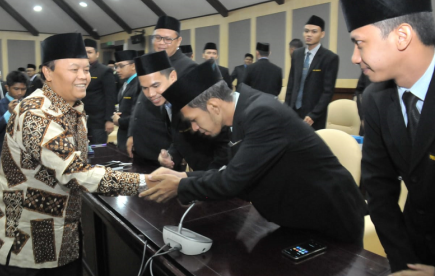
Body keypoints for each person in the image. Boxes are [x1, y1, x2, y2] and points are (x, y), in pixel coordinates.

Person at [139, 60, 367, 245]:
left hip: (330, 221)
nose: (196, 129)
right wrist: (183, 176)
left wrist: (180, 186)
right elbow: (230, 170)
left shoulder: (262, 114)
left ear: (214, 107)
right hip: (298, 219)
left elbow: (232, 181)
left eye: (194, 121)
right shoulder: (244, 114)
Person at [0, 33, 153, 276]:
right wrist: (147, 182)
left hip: (59, 239)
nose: (84, 76)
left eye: (86, 69)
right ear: (48, 73)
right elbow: (74, 173)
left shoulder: (71, 106)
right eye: (74, 69)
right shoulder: (36, 113)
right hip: (24, 246)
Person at [341, 0, 435, 274]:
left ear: (402, 36)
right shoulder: (376, 99)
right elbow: (379, 188)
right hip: (413, 249)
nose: (355, 58)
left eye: (359, 43)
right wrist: (404, 264)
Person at [134, 51, 228, 171]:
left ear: (172, 77)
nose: (151, 94)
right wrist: (171, 155)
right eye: (145, 88)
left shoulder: (195, 100)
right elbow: (182, 137)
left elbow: (224, 141)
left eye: (156, 85)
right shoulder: (165, 103)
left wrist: (211, 176)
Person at [127, 15, 196, 166]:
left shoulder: (188, 68)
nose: (161, 43)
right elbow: (137, 101)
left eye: (167, 39)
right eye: (157, 37)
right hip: (140, 143)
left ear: (178, 41)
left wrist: (177, 152)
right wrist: (131, 134)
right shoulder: (146, 60)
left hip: (164, 149)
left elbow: (187, 117)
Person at [285, 15, 339, 130]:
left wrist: (314, 114)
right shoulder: (297, 54)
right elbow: (291, 84)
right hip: (293, 112)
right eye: (306, 31)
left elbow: (328, 92)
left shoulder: (329, 58)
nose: (309, 34)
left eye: (314, 31)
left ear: (322, 34)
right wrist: (286, 109)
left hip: (313, 117)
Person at [0, 71, 27, 173]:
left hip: (26, 156)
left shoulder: (28, 104)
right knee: (6, 187)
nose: (20, 93)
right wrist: (8, 114)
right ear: (7, 88)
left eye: (23, 89)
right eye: (16, 89)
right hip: (5, 155)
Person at [82, 38, 116, 144]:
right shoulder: (79, 70)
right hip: (82, 120)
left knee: (98, 151)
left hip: (98, 121)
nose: (87, 55)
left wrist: (109, 120)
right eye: (84, 52)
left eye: (90, 52)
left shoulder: (105, 71)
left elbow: (110, 97)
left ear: (97, 54)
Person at [111, 50, 140, 151]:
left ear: (133, 65)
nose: (117, 70)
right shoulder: (126, 83)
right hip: (123, 133)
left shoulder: (139, 85)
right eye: (116, 67)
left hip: (133, 136)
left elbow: (138, 115)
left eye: (121, 66)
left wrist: (119, 121)